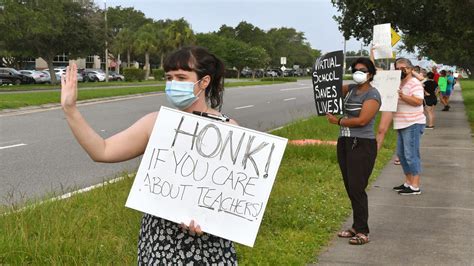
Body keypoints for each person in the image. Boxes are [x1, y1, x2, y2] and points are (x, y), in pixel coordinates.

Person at [61, 46, 239, 264]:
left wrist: (207, 219)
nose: (173, 83)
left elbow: (233, 195)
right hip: (160, 243)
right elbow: (102, 150)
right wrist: (70, 109)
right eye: (169, 77)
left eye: (181, 77)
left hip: (209, 247)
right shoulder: (156, 123)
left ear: (204, 82)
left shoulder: (229, 129)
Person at [326, 57, 381, 245]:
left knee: (357, 187)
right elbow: (329, 90)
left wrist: (338, 121)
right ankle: (356, 227)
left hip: (362, 144)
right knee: (350, 187)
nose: (359, 72)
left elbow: (362, 120)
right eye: (355, 69)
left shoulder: (373, 95)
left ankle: (363, 231)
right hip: (345, 142)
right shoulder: (350, 90)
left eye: (363, 70)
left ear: (371, 74)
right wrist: (322, 79)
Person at [392, 58, 426, 195]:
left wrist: (402, 96)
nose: (400, 70)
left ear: (410, 69)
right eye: (397, 68)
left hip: (413, 123)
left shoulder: (414, 84)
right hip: (401, 123)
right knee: (402, 155)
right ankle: (408, 182)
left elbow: (418, 102)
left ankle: (415, 186)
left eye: (403, 68)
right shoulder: (397, 83)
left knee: (411, 155)